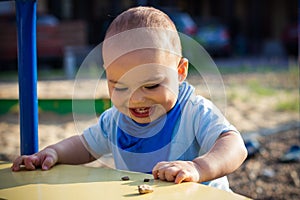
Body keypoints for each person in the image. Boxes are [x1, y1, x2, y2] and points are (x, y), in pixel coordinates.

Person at [12, 6, 247, 191]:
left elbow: (235, 146)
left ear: (180, 72)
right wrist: (54, 152)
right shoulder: (116, 120)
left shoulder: (193, 111)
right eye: (120, 87)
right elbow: (85, 146)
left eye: (152, 85)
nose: (136, 99)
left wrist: (198, 168)